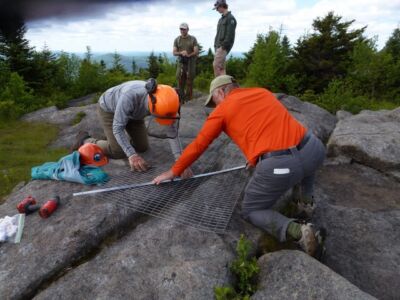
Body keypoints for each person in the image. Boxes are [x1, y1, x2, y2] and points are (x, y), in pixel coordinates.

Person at [153, 75, 326, 257]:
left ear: (221, 91)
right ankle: (306, 202)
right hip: (314, 148)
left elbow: (198, 145)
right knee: (307, 163)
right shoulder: (262, 92)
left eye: (214, 101)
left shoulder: (222, 111)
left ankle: (301, 232)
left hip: (281, 166)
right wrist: (255, 158)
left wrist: (174, 171)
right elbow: (267, 126)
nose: (215, 106)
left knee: (252, 210)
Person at [70, 80, 193, 177]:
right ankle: (86, 140)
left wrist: (180, 161)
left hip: (135, 114)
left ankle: (113, 139)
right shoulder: (130, 96)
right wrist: (132, 155)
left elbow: (172, 131)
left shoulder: (167, 100)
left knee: (142, 147)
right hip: (110, 109)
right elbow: (118, 128)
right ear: (151, 103)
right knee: (118, 151)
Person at [173, 22, 199, 102]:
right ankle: (181, 98)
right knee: (180, 80)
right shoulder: (177, 39)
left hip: (190, 63)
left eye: (184, 29)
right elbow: (174, 52)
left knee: (189, 80)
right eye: (181, 29)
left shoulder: (193, 39)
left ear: (187, 29)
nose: (182, 30)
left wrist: (188, 54)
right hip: (181, 63)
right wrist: (181, 53)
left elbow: (196, 51)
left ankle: (189, 99)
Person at [212, 0, 236, 76]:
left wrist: (223, 47)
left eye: (217, 7)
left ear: (222, 5)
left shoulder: (230, 18)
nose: (216, 10)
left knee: (216, 66)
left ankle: (219, 87)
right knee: (221, 68)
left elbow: (230, 35)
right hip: (218, 46)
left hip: (222, 47)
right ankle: (224, 87)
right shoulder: (221, 19)